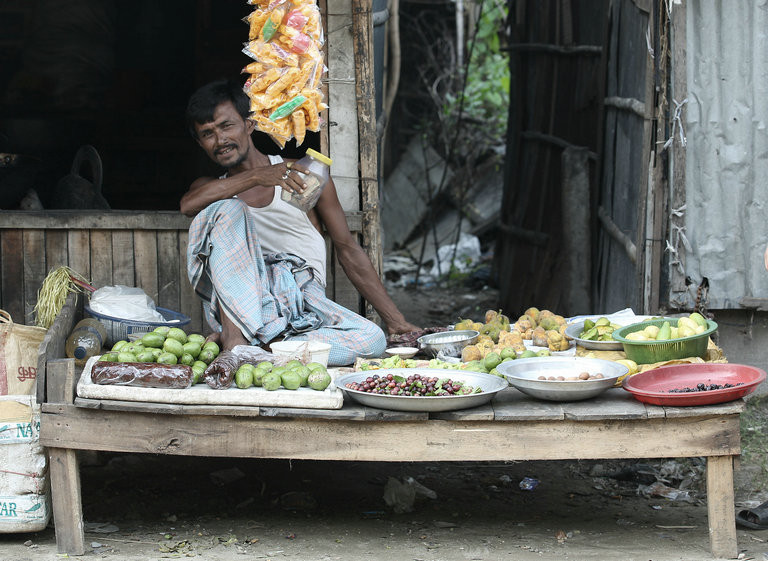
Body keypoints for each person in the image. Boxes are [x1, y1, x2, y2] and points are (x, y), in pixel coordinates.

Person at [180, 79, 418, 366]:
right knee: (228, 208)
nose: (220, 141)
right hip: (249, 305)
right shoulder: (210, 188)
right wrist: (257, 176)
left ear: (249, 124)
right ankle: (236, 340)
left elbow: (347, 249)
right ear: (200, 143)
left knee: (372, 340)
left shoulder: (304, 177)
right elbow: (188, 205)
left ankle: (264, 350)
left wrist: (396, 321)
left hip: (304, 303)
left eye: (226, 126)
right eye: (207, 134)